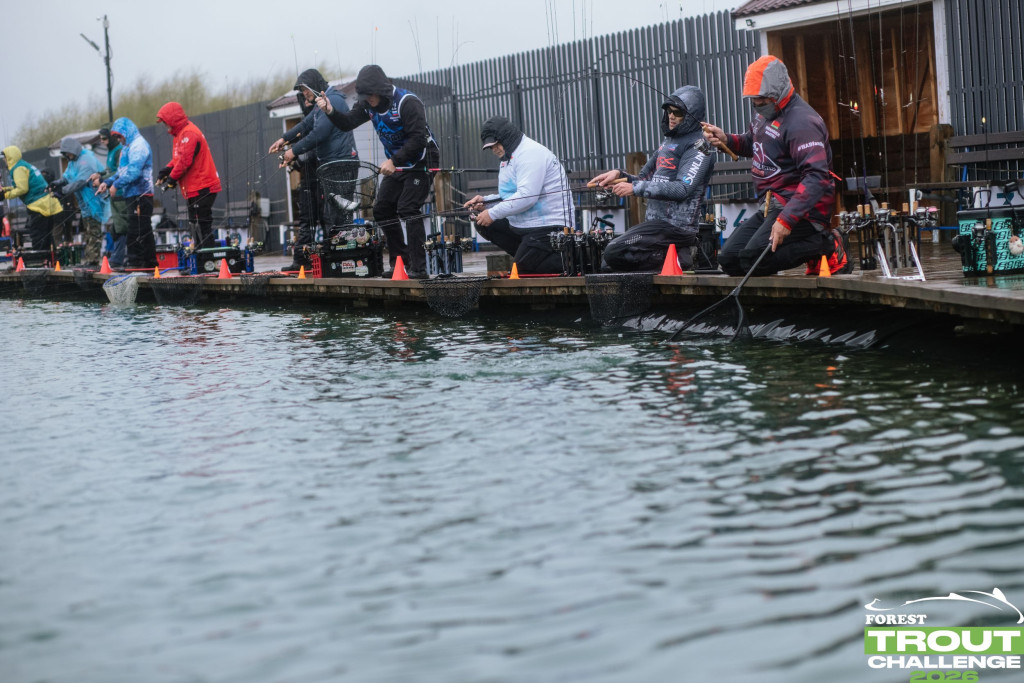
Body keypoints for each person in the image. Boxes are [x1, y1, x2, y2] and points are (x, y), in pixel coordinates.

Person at [701, 55, 847, 276]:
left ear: (778, 91)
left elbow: (816, 177)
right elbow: (753, 143)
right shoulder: (764, 114)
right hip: (771, 205)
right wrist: (726, 140)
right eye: (753, 99)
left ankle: (827, 244)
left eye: (761, 99)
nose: (757, 104)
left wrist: (786, 220)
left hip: (804, 212)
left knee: (753, 260)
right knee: (729, 260)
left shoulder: (802, 122)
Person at [317, 64, 439, 278]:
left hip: (422, 160)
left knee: (408, 207)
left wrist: (394, 161)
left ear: (380, 91)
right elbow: (347, 123)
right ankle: (400, 263)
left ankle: (419, 268)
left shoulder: (407, 102)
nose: (367, 100)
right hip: (398, 163)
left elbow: (418, 139)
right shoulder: (367, 105)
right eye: (363, 97)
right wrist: (330, 111)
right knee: (382, 209)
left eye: (369, 96)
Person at [589, 85, 715, 271]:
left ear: (691, 115)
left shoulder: (699, 147)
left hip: (676, 229)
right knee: (607, 265)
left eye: (677, 112)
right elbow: (643, 178)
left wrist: (635, 188)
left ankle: (680, 259)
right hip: (655, 227)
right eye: (669, 111)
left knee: (614, 251)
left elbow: (682, 189)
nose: (671, 116)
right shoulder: (668, 142)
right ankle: (674, 258)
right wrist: (618, 175)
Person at [269, 69, 358, 270]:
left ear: (315, 85)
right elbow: (305, 125)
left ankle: (345, 261)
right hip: (331, 167)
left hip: (342, 165)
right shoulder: (319, 105)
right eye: (302, 91)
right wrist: (284, 139)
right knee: (331, 213)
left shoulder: (333, 100)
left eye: (305, 90)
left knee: (339, 215)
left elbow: (319, 133)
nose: (304, 95)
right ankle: (337, 261)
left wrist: (292, 152)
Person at [462, 116, 572, 274]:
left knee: (521, 270)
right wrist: (486, 203)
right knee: (483, 224)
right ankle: (528, 255)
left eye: (496, 144)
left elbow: (527, 197)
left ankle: (559, 259)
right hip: (524, 225)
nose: (494, 150)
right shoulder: (508, 157)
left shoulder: (530, 153)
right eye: (490, 147)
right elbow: (511, 195)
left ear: (507, 137)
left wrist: (492, 213)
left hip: (550, 226)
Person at [155, 102, 222, 249]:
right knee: (194, 223)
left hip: (203, 186)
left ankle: (206, 255)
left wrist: (172, 179)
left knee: (202, 223)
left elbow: (185, 161)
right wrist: (166, 171)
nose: (165, 126)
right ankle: (200, 253)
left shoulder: (189, 133)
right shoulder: (180, 135)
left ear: (172, 119)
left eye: (165, 122)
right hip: (194, 188)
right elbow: (178, 159)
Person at [97, 117, 157, 269]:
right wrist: (107, 182)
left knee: (139, 230)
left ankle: (139, 263)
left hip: (142, 194)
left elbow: (133, 172)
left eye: (119, 136)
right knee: (138, 229)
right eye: (116, 137)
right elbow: (121, 171)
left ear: (126, 132)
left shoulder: (139, 145)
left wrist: (116, 185)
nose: (118, 140)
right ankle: (144, 263)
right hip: (131, 195)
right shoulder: (126, 147)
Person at [51, 136, 110, 266]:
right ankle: (90, 259)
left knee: (93, 231)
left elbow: (81, 182)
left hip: (93, 201)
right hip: (85, 204)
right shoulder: (73, 162)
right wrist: (57, 183)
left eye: (68, 153)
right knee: (88, 230)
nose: (68, 156)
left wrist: (62, 191)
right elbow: (67, 177)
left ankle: (93, 260)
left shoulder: (86, 160)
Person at [0, 145, 63, 256]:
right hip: (46, 203)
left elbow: (22, 189)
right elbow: (21, 186)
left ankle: (40, 260)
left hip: (39, 206)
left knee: (38, 235)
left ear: (10, 157)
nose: (4, 160)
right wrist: (5, 189)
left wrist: (5, 195)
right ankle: (50, 260)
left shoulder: (18, 169)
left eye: (5, 158)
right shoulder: (23, 165)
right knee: (47, 235)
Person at [92, 127, 129, 268]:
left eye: (104, 138)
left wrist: (102, 180)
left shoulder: (118, 151)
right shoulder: (111, 151)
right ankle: (120, 257)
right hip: (114, 194)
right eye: (100, 139)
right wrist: (99, 174)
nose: (102, 141)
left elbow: (119, 172)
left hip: (121, 193)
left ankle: (118, 258)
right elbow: (110, 170)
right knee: (115, 228)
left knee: (120, 227)